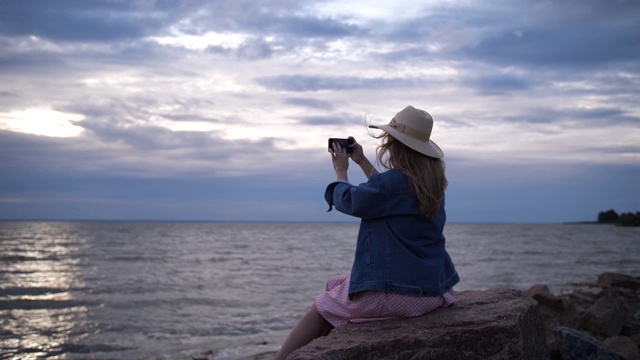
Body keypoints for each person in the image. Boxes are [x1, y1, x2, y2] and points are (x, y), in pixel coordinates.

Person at [273, 105, 460, 360]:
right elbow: (386, 196)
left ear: (395, 146)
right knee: (337, 284)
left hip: (398, 294)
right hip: (431, 290)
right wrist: (361, 161)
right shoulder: (432, 184)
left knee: (322, 306)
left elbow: (353, 201)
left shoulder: (393, 184)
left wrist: (341, 171)